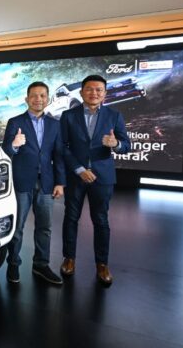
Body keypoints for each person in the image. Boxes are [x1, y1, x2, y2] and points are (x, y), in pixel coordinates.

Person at [59, 75, 130, 286]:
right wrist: (79, 169)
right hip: (76, 176)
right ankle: (69, 258)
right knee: (71, 218)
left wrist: (116, 144)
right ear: (82, 92)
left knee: (100, 220)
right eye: (89, 89)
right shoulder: (68, 116)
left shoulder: (114, 115)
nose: (94, 93)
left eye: (99, 89)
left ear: (105, 93)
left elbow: (126, 145)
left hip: (103, 177)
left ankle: (102, 264)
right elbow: (63, 146)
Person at [2, 81, 66, 285]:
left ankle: (41, 264)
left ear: (47, 99)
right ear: (27, 99)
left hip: (46, 182)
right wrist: (14, 144)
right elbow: (6, 151)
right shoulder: (15, 122)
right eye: (34, 95)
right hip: (21, 181)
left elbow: (59, 155)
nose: (38, 99)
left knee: (45, 227)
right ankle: (13, 263)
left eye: (42, 95)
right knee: (18, 227)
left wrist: (60, 183)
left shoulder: (55, 124)